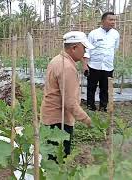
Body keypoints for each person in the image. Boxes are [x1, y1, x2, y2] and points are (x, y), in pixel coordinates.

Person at [41, 31, 93, 159]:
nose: (85, 52)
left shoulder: (57, 60)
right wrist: (87, 120)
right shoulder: (67, 67)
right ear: (74, 48)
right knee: (58, 160)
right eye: (84, 48)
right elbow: (70, 103)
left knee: (50, 157)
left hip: (50, 116)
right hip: (59, 121)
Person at [83, 12, 120, 112]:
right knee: (91, 87)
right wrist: (85, 65)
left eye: (114, 20)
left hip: (108, 67)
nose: (113, 22)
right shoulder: (93, 33)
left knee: (105, 88)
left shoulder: (115, 34)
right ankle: (91, 106)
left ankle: (103, 107)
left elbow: (115, 48)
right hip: (94, 66)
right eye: (110, 20)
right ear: (103, 21)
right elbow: (87, 50)